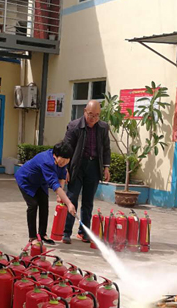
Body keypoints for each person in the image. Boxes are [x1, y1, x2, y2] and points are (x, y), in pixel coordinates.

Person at [62, 100, 111, 244]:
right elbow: (66, 148)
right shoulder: (74, 126)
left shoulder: (103, 127)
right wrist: (65, 169)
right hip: (77, 166)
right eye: (90, 115)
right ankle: (66, 232)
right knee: (72, 198)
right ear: (85, 111)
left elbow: (106, 148)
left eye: (96, 115)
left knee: (88, 202)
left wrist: (106, 167)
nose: (93, 118)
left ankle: (83, 233)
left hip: (94, 166)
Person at [15, 141, 77, 245]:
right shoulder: (46, 161)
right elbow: (54, 184)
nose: (64, 163)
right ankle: (32, 237)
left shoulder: (62, 162)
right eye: (62, 160)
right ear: (55, 155)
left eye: (67, 160)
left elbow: (61, 177)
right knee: (33, 205)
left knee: (44, 204)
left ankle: (42, 234)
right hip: (26, 180)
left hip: (41, 182)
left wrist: (59, 195)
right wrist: (69, 203)